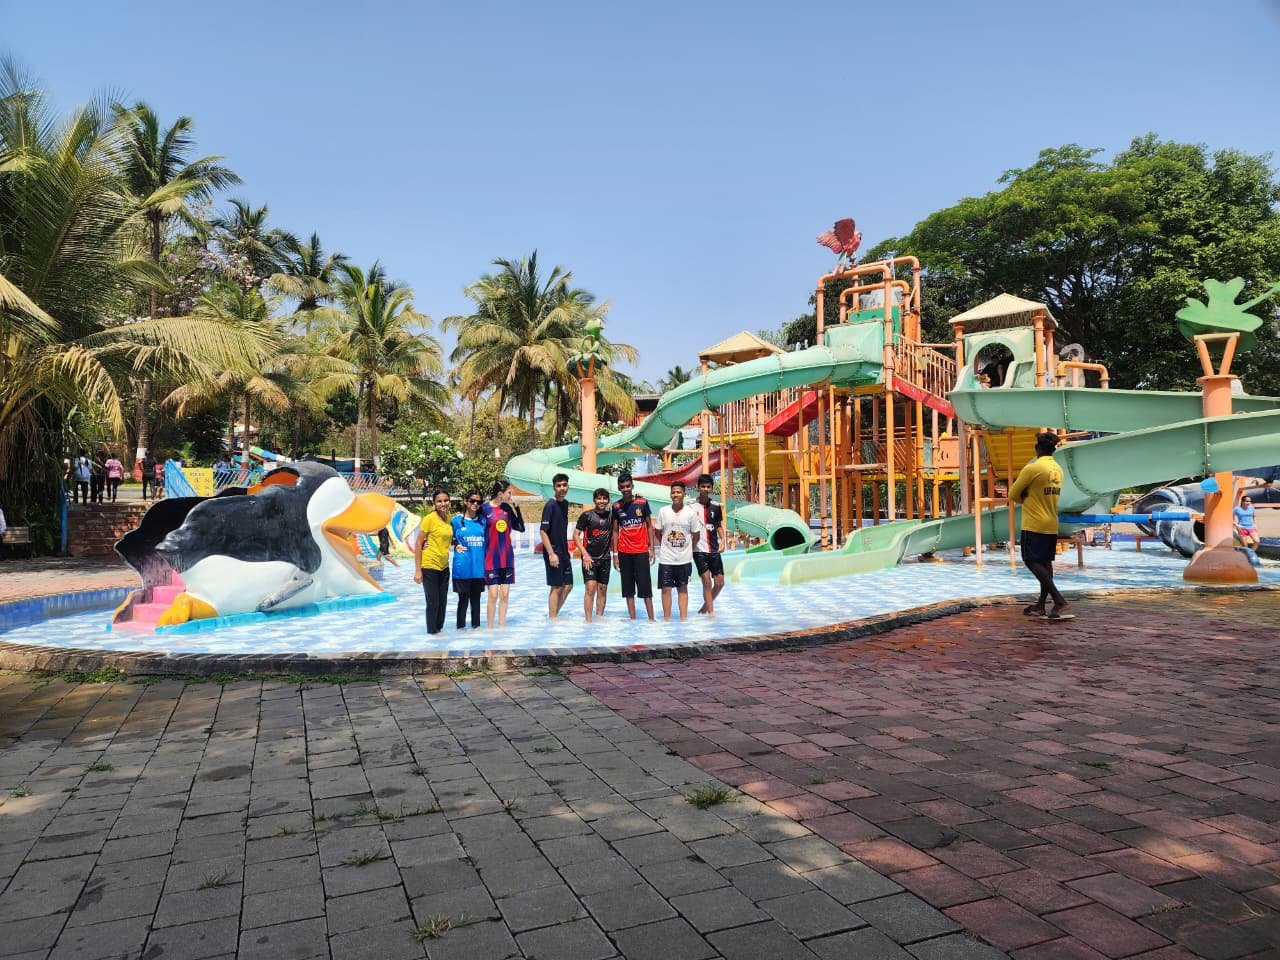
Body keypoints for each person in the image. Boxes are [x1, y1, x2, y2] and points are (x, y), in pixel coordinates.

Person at [1009, 432, 1070, 620]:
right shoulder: (1058, 470)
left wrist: (1025, 498)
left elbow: (1012, 494)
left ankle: (1058, 599)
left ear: (1037, 448)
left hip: (1034, 523)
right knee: (1045, 563)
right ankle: (1041, 605)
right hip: (1051, 522)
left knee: (1030, 560)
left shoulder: (1033, 468)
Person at [654, 480, 702, 621]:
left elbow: (696, 535)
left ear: (684, 494)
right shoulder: (663, 511)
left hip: (684, 559)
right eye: (673, 492)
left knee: (683, 588)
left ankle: (683, 619)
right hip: (666, 559)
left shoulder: (690, 513)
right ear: (670, 495)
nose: (676, 495)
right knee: (666, 589)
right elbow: (657, 532)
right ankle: (667, 619)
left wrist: (689, 549)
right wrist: (665, 545)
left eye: (679, 492)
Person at [482, 480, 526, 629]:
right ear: (500, 493)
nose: (511, 495)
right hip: (490, 558)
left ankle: (502, 628)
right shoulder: (484, 509)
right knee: (493, 594)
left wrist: (517, 509)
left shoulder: (507, 508)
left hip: (506, 557)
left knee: (505, 594)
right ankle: (490, 628)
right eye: (509, 492)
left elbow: (520, 527)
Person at [612, 471, 655, 620]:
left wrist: (651, 549)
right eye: (623, 486)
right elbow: (615, 531)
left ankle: (651, 619)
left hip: (641, 551)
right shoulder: (616, 506)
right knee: (628, 590)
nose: (625, 489)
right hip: (624, 552)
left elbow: (649, 526)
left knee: (646, 589)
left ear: (632, 486)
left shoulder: (642, 503)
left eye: (628, 486)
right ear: (619, 488)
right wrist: (615, 555)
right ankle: (632, 620)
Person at [414, 490, 454, 635]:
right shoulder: (429, 519)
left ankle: (439, 632)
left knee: (443, 602)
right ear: (434, 503)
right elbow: (418, 544)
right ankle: (432, 633)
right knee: (433, 602)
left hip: (444, 566)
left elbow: (446, 539)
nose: (443, 503)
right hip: (429, 565)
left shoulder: (448, 519)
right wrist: (418, 570)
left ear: (449, 502)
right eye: (439, 501)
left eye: (446, 500)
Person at [452, 490, 488, 630]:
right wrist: (455, 544)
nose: (475, 504)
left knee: (476, 601)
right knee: (463, 601)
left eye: (478, 502)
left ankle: (476, 630)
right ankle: (460, 631)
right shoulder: (456, 521)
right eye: (472, 501)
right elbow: (446, 537)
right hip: (462, 568)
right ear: (465, 501)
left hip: (478, 568)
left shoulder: (483, 521)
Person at [576, 488, 613, 621]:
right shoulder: (586, 515)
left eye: (604, 498)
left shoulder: (611, 516)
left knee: (602, 589)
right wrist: (585, 554)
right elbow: (575, 535)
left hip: (605, 558)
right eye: (599, 498)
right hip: (589, 559)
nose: (601, 501)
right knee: (590, 588)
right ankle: (588, 620)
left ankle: (599, 618)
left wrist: (636, 499)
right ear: (594, 500)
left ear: (608, 500)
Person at [540, 473, 574, 619]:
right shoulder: (550, 505)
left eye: (564, 485)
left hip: (564, 551)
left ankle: (553, 616)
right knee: (556, 586)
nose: (562, 488)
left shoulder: (565, 504)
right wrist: (551, 553)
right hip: (553, 551)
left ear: (568, 486)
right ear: (554, 488)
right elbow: (543, 531)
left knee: (568, 585)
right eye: (559, 486)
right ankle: (552, 619)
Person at [692, 473, 726, 615]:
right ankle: (711, 613)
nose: (705, 489)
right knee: (706, 582)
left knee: (720, 582)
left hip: (713, 549)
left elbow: (718, 525)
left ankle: (704, 608)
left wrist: (723, 540)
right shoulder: (690, 505)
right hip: (698, 550)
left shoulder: (716, 506)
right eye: (703, 486)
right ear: (698, 487)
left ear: (711, 488)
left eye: (708, 486)